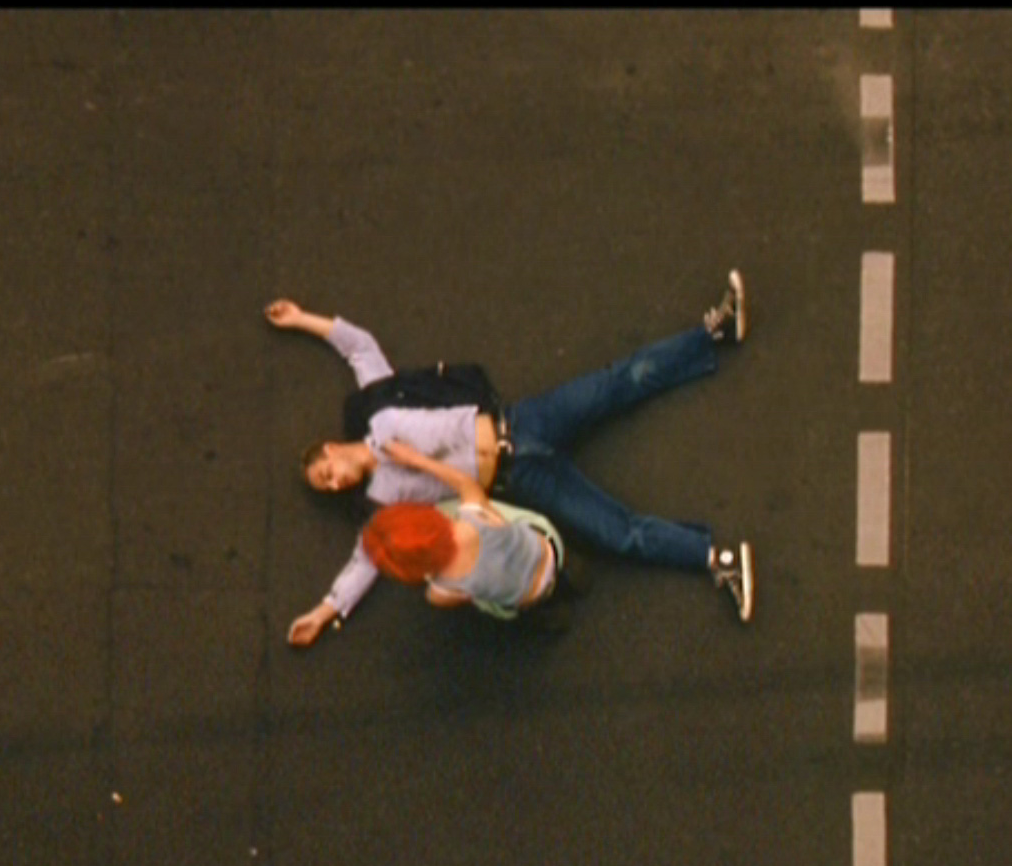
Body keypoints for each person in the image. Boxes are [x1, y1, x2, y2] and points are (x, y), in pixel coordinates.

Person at [268, 271, 754, 646]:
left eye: (326, 473)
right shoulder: (380, 504)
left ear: (332, 448)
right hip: (518, 478)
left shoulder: (377, 411)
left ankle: (714, 333)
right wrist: (324, 612)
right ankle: (715, 559)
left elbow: (359, 348)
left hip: (522, 422)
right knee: (618, 533)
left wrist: (301, 318)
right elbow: (365, 562)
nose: (335, 482)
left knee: (618, 381)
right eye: (328, 486)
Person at [363, 440, 561, 618]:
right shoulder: (472, 518)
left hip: (529, 598)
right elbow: (464, 482)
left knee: (481, 596)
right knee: (473, 510)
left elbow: (461, 595)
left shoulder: (439, 592)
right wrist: (416, 459)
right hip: (551, 551)